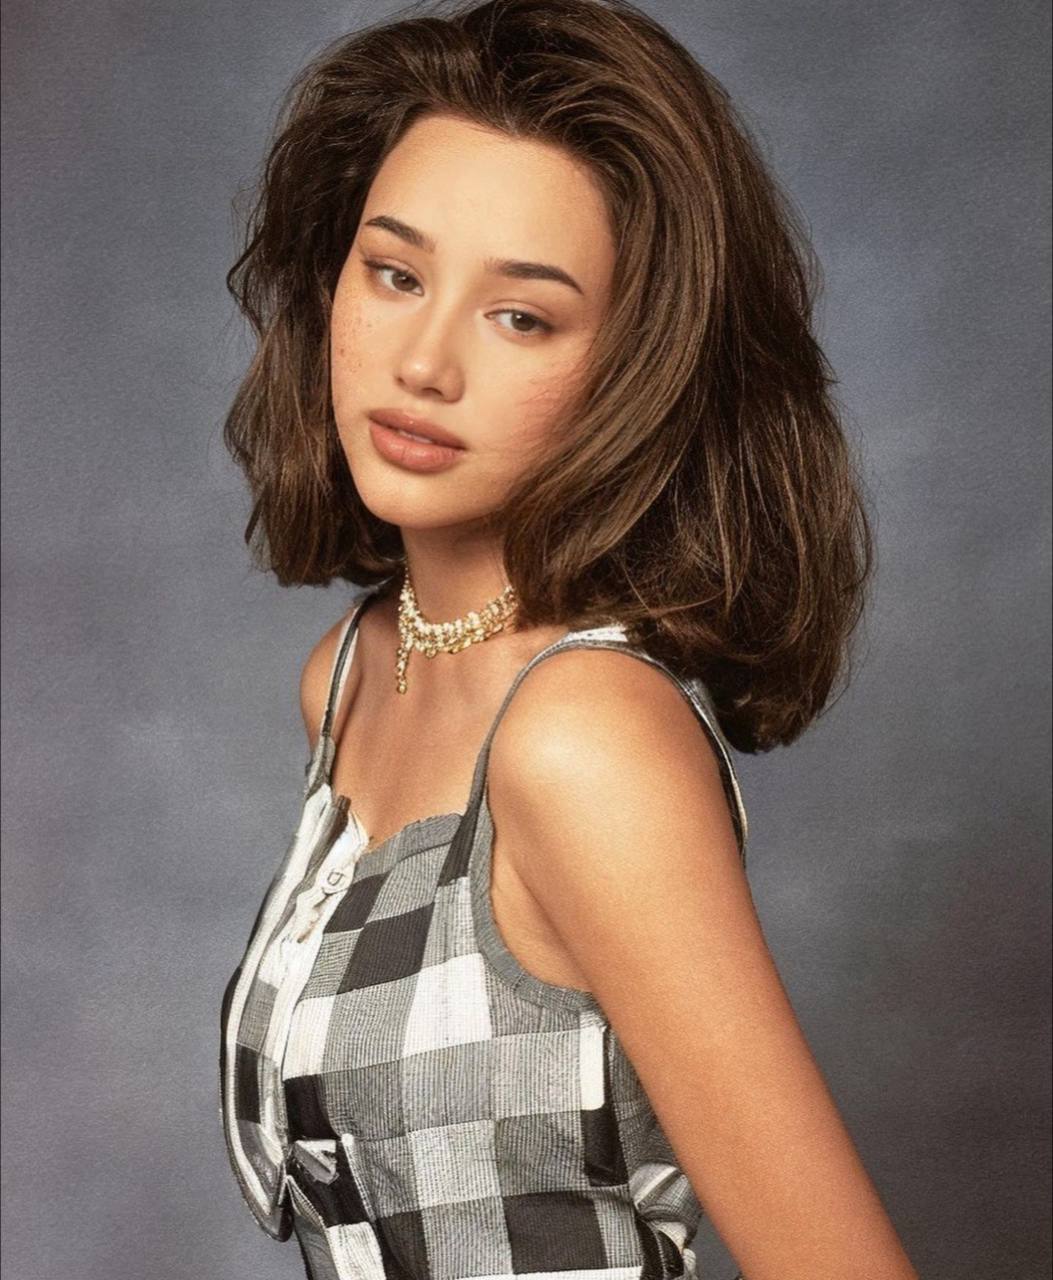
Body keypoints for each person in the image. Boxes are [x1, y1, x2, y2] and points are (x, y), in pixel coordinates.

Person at [218, 1, 918, 1276]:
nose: (424, 362)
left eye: (522, 315)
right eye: (396, 274)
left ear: (636, 370)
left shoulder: (584, 735)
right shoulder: (352, 676)